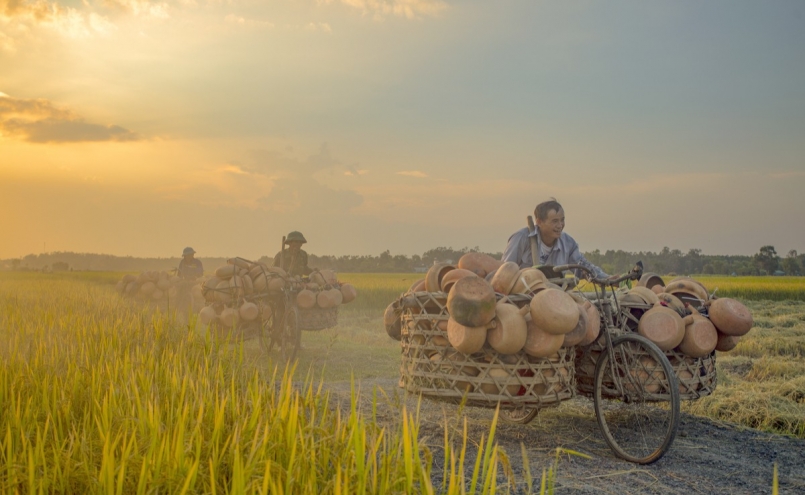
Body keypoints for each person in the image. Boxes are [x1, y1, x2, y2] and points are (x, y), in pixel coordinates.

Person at [502, 199, 609, 280]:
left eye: (562, 220)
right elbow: (504, 271)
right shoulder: (522, 238)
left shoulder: (568, 243)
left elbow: (583, 267)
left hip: (554, 295)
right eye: (555, 221)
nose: (560, 225)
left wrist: (606, 278)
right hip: (523, 295)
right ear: (539, 222)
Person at [176, 247, 203, 316]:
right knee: (180, 289)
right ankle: (178, 306)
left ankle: (196, 306)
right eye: (187, 255)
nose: (189, 256)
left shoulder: (197, 262)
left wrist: (193, 277)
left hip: (195, 282)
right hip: (184, 282)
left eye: (191, 255)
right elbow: (179, 274)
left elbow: (200, 273)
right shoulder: (182, 262)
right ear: (184, 256)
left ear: (193, 255)